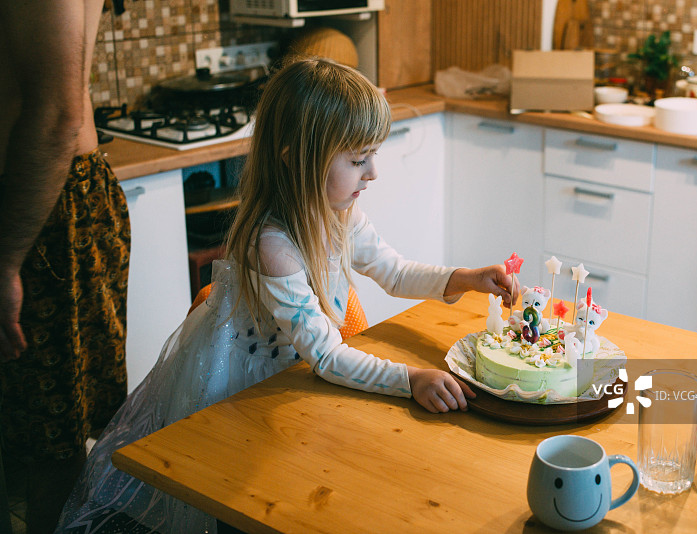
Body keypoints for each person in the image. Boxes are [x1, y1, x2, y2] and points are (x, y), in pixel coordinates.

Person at [57, 57, 516, 533]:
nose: (373, 173)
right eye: (359, 159)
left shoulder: (338, 211)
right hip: (238, 386)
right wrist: (411, 378)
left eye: (371, 156)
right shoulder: (272, 244)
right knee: (241, 495)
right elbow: (327, 357)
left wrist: (463, 278)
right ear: (296, 156)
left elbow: (395, 272)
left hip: (291, 374)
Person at [0, 2, 130, 533]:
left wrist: (6, 258)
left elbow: (57, 115)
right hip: (38, 206)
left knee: (52, 442)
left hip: (35, 210)